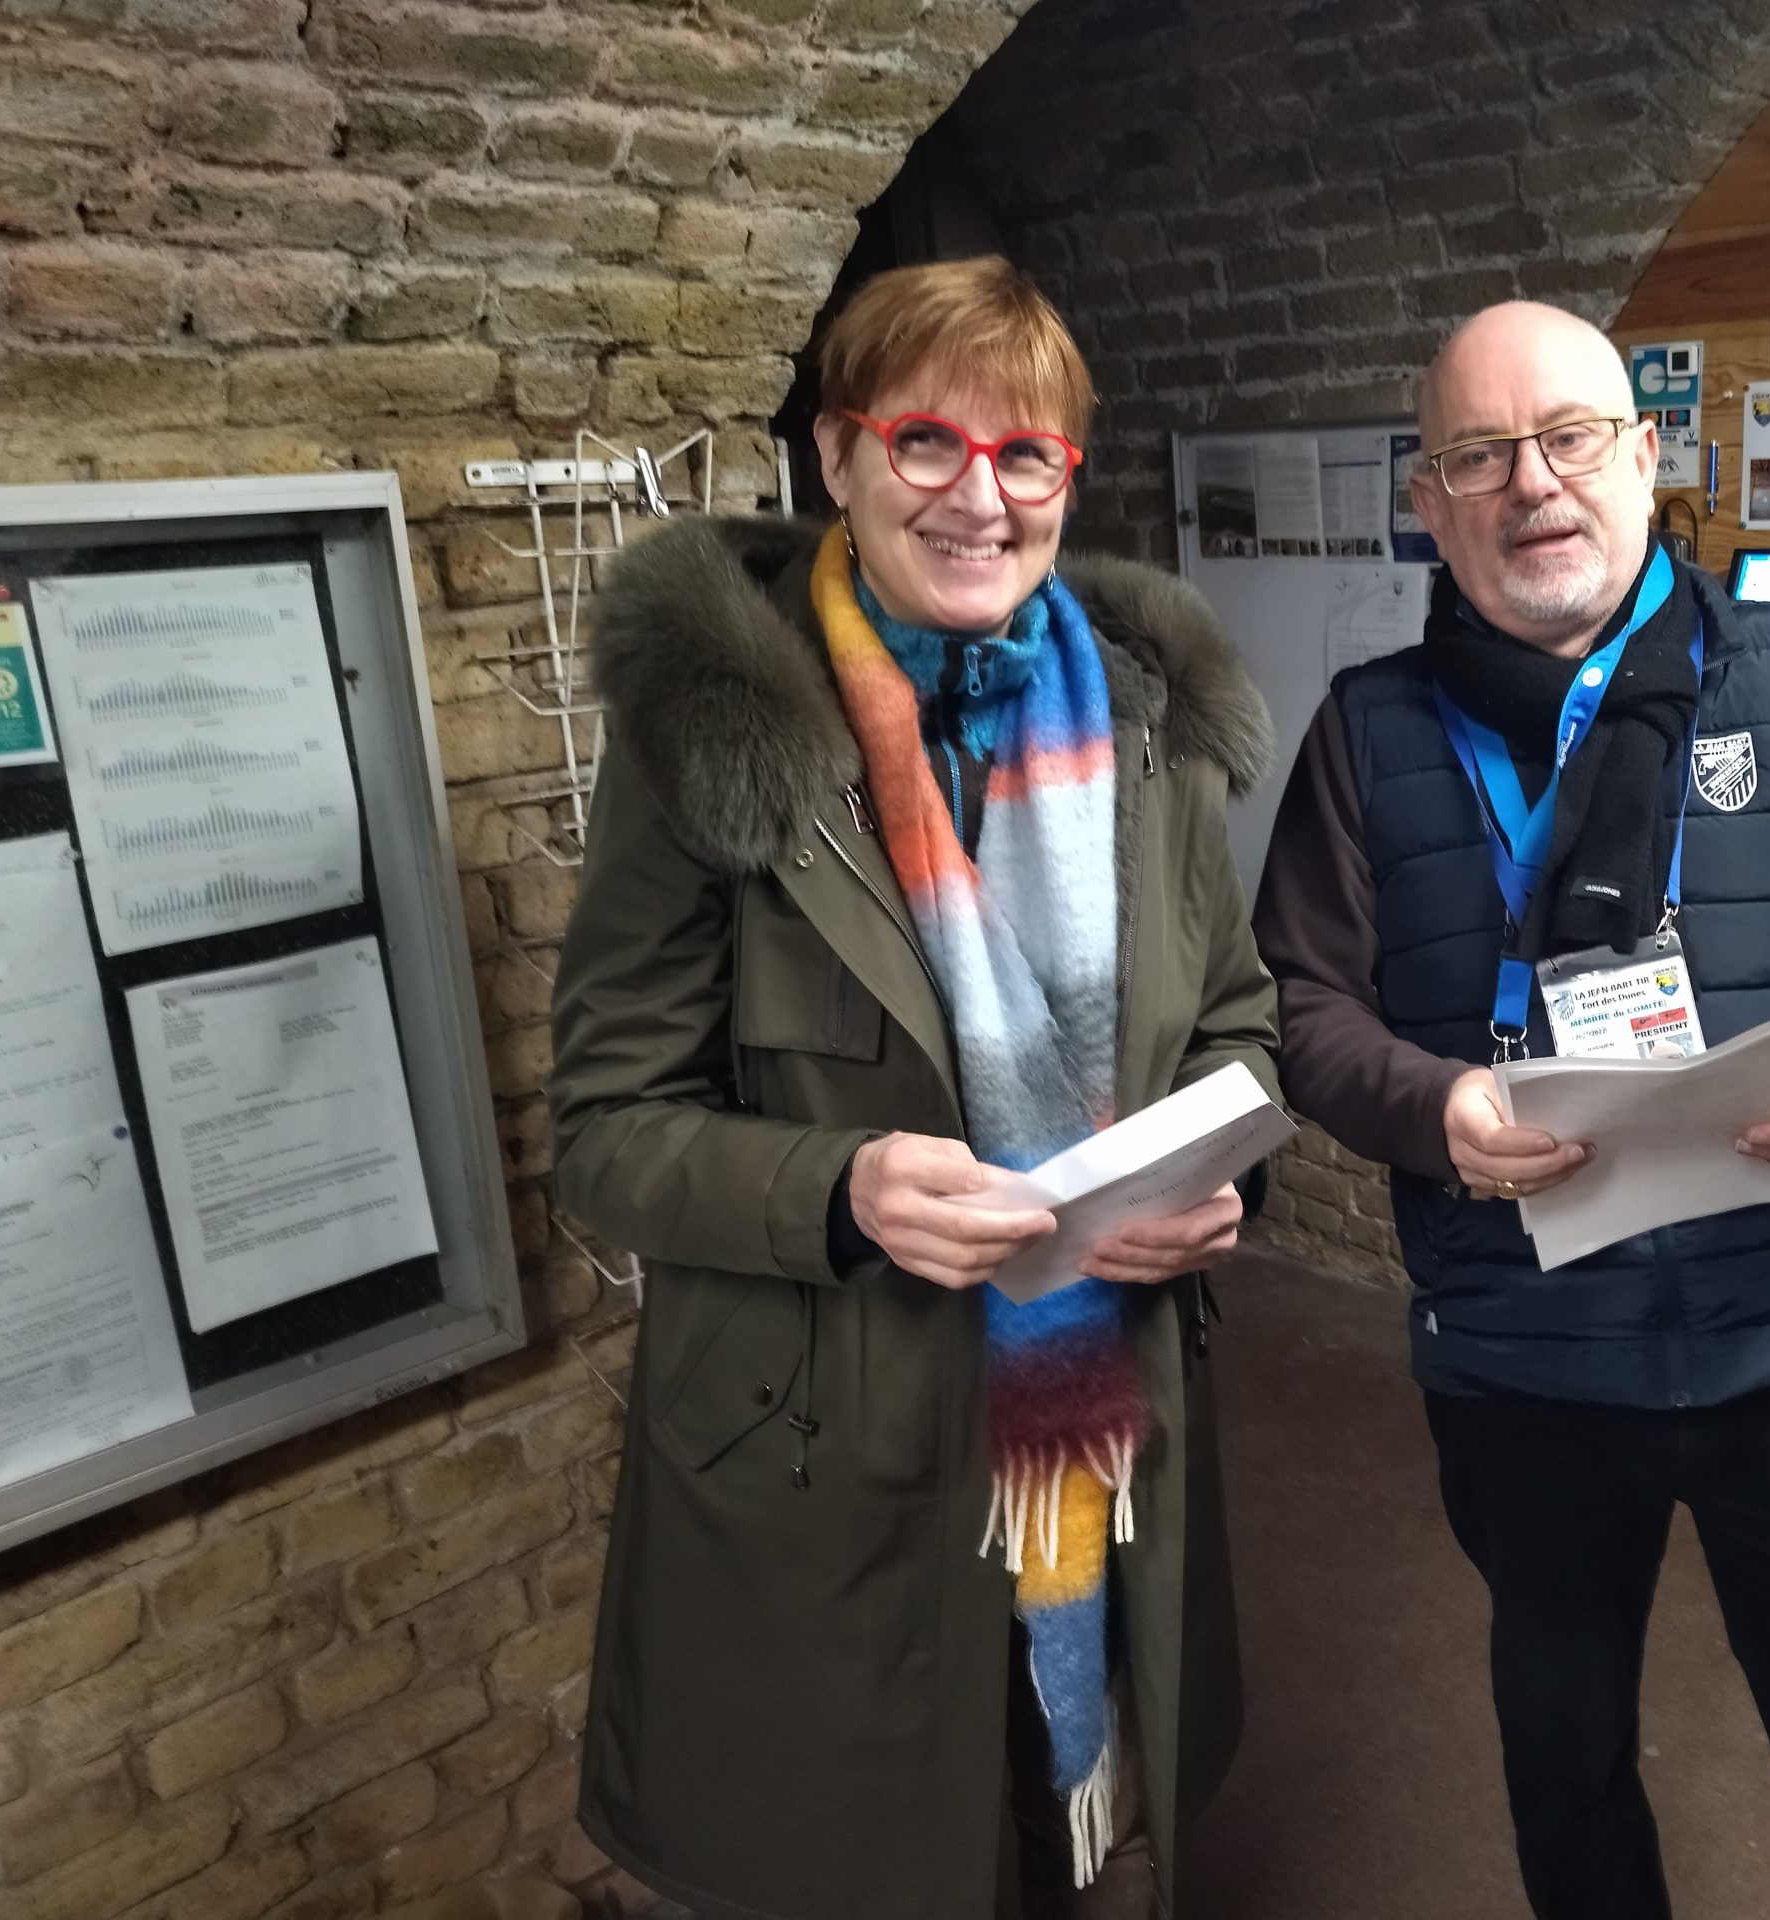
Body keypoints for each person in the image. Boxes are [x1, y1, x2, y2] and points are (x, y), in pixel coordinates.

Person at [548, 255, 1280, 1920]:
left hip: (1104, 1413)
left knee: (1076, 1828)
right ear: (839, 454)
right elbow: (604, 1134)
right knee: (877, 1849)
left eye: (1026, 455)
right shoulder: (715, 736)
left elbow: (1239, 1026)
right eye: (927, 442)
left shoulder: (1150, 731)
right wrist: (841, 1189)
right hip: (837, 1438)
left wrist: (1210, 1175)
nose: (979, 497)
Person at [1252, 301, 1770, 1920]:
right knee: (1566, 1770)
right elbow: (1299, 1006)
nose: (1532, 482)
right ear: (1430, 501)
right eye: (1479, 455)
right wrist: (1433, 1105)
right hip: (1525, 1360)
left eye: (1570, 437)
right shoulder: (1367, 732)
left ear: (1644, 456)